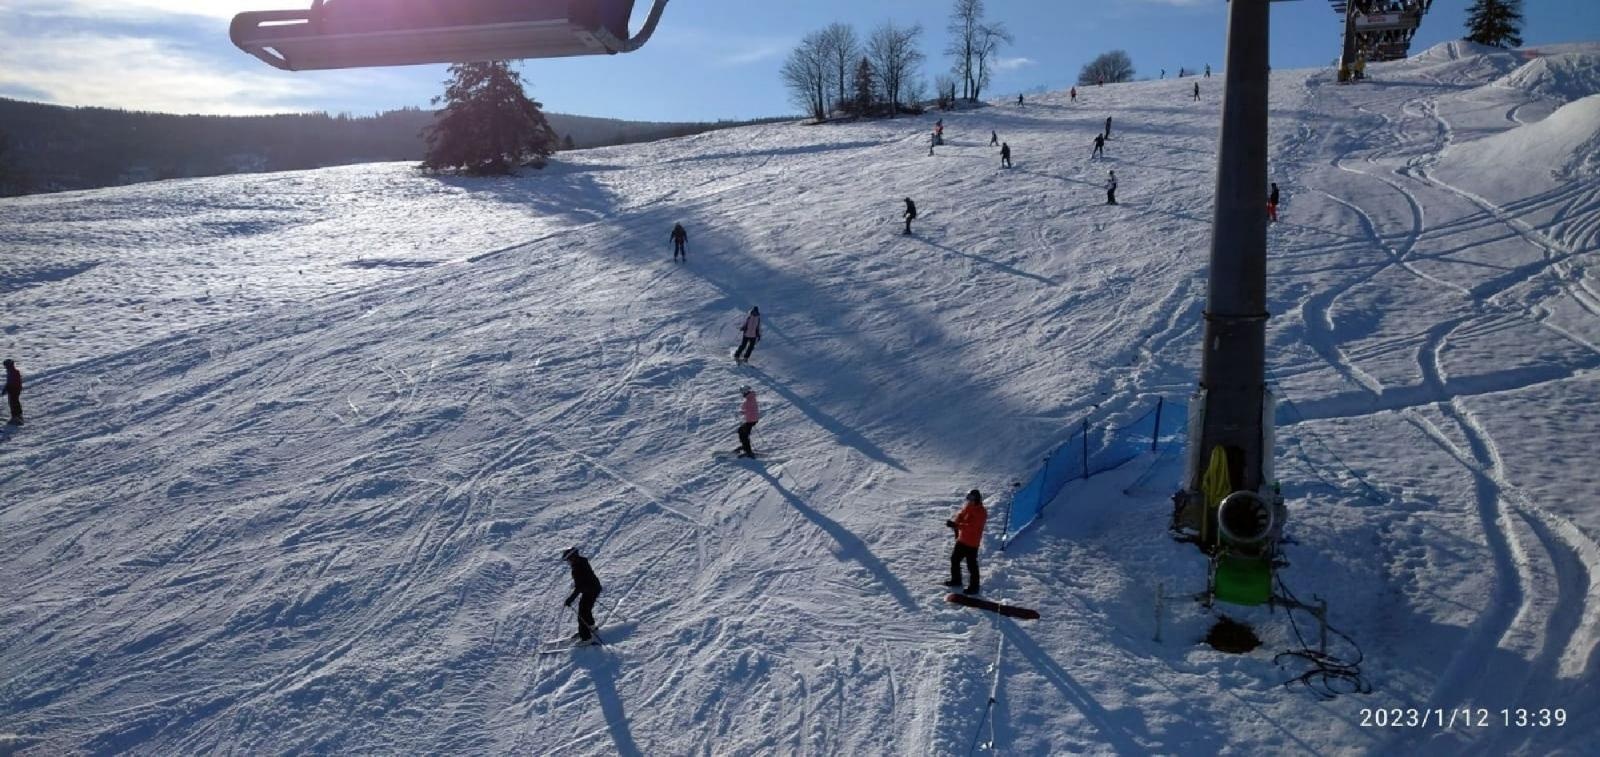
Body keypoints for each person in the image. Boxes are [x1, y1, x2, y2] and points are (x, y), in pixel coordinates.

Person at [944, 489, 987, 594]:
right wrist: (956, 522)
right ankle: (956, 580)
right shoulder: (969, 506)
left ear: (977, 499)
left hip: (972, 543)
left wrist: (957, 526)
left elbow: (972, 527)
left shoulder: (981, 512)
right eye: (968, 498)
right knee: (954, 559)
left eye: (971, 498)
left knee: (971, 565)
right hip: (962, 539)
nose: (969, 500)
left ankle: (974, 587)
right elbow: (961, 515)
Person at [562, 547, 603, 643]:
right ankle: (591, 627)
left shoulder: (577, 568)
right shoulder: (581, 562)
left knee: (582, 614)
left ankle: (586, 638)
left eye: (569, 559)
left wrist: (570, 599)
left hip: (590, 590)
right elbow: (582, 583)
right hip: (593, 588)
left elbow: (579, 587)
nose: (568, 562)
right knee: (585, 609)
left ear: (574, 557)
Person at [736, 385, 759, 458]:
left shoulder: (749, 400)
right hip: (752, 419)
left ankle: (748, 452)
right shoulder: (751, 397)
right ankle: (745, 447)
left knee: (743, 434)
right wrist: (743, 412)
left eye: (743, 393)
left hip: (751, 420)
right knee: (742, 431)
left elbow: (744, 407)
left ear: (746, 392)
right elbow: (749, 409)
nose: (742, 394)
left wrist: (742, 412)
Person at [3, 359, 20, 426]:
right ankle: (17, 416)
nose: (5, 367)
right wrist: (5, 388)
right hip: (12, 390)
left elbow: (14, 383)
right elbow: (9, 382)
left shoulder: (14, 372)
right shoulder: (10, 372)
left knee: (13, 403)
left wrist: (9, 388)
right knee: (13, 402)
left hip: (14, 390)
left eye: (6, 366)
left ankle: (16, 418)